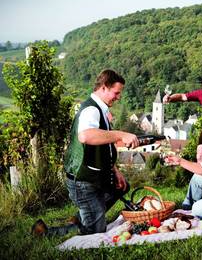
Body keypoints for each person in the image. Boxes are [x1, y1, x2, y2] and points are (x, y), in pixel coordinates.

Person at [31, 69, 139, 236]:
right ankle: (44, 232)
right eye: (116, 93)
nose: (119, 97)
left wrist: (114, 170)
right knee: (96, 231)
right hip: (83, 181)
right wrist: (121, 134)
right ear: (104, 87)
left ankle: (83, 216)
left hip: (96, 176)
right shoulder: (92, 110)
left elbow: (102, 145)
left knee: (121, 187)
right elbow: (86, 136)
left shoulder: (100, 108)